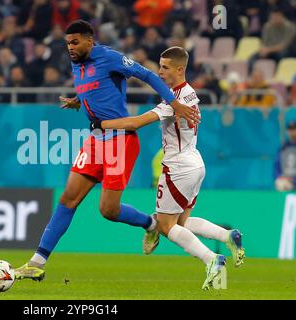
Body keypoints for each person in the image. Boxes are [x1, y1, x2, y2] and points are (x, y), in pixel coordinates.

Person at [14, 20, 198, 282]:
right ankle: (37, 262)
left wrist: (174, 102)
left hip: (120, 140)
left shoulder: (110, 57)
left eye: (75, 42)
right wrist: (82, 100)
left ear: (90, 41)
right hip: (95, 139)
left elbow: (146, 74)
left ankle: (151, 224)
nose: (70, 48)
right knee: (68, 199)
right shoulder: (77, 61)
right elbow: (95, 85)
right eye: (67, 43)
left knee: (108, 211)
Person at [90, 46, 245, 290]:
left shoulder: (175, 101)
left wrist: (100, 123)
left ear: (180, 69)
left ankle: (212, 260)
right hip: (195, 162)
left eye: (165, 67)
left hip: (178, 167)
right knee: (182, 222)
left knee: (165, 226)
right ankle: (228, 236)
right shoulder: (189, 93)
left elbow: (135, 122)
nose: (159, 72)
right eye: (159, 66)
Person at [274, 121, 296, 191]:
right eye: (290, 129)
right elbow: (277, 165)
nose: (292, 131)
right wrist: (279, 176)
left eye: (294, 129)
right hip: (286, 179)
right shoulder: (284, 147)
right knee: (280, 183)